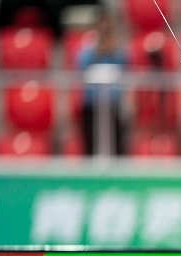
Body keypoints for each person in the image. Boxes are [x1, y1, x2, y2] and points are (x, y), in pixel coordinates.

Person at [76, 7, 126, 156]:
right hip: (91, 104)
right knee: (90, 147)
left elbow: (124, 66)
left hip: (112, 104)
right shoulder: (87, 47)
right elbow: (81, 64)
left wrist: (111, 49)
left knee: (116, 147)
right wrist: (97, 51)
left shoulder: (117, 50)